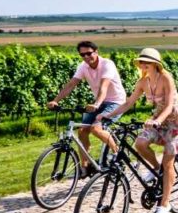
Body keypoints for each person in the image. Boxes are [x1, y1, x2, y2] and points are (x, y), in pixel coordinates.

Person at [100, 48, 178, 213]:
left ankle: (165, 204)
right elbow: (128, 103)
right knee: (140, 143)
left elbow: (170, 104)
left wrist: (158, 120)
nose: (143, 64)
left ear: (156, 64)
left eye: (146, 61)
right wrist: (107, 115)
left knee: (169, 157)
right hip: (157, 120)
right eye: (141, 62)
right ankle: (157, 168)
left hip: (175, 122)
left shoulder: (166, 78)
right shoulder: (142, 82)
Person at [47, 41, 127, 175]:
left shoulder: (107, 64)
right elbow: (71, 84)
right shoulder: (83, 66)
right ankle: (85, 167)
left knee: (96, 128)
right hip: (99, 102)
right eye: (82, 55)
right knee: (82, 131)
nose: (85, 57)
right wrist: (55, 100)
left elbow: (104, 87)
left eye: (88, 53)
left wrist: (96, 104)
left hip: (115, 102)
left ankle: (117, 154)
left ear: (96, 51)